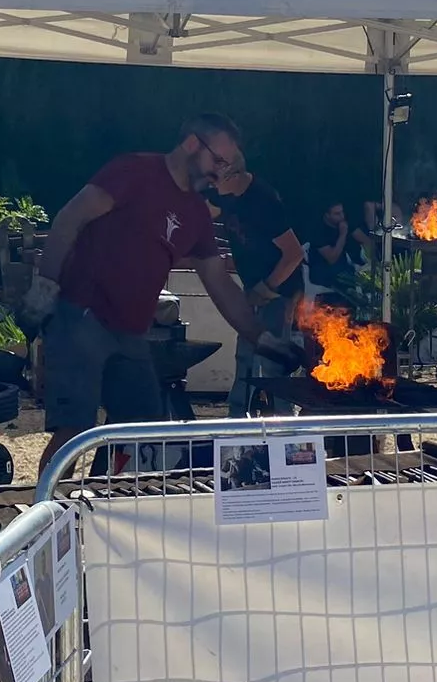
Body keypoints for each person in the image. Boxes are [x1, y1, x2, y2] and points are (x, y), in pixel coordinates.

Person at [24, 114, 300, 468]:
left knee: (141, 431)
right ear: (190, 143)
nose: (219, 174)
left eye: (226, 166)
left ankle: (111, 505)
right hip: (80, 317)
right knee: (74, 430)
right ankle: (45, 510)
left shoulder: (198, 215)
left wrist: (262, 338)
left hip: (132, 333)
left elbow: (220, 284)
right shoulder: (134, 171)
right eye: (217, 161)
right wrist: (45, 287)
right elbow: (70, 217)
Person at [207, 150, 305, 413]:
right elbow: (205, 212)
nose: (214, 185)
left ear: (235, 175)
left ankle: (284, 428)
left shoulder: (264, 201)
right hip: (252, 287)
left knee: (272, 362)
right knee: (245, 356)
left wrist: (265, 289)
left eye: (218, 180)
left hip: (279, 291)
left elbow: (294, 254)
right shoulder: (224, 195)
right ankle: (237, 421)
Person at [306, 201, 355, 295]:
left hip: (344, 272)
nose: (342, 216)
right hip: (323, 273)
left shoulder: (341, 226)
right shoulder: (318, 232)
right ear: (327, 215)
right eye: (337, 214)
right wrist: (342, 235)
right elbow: (332, 258)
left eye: (342, 212)